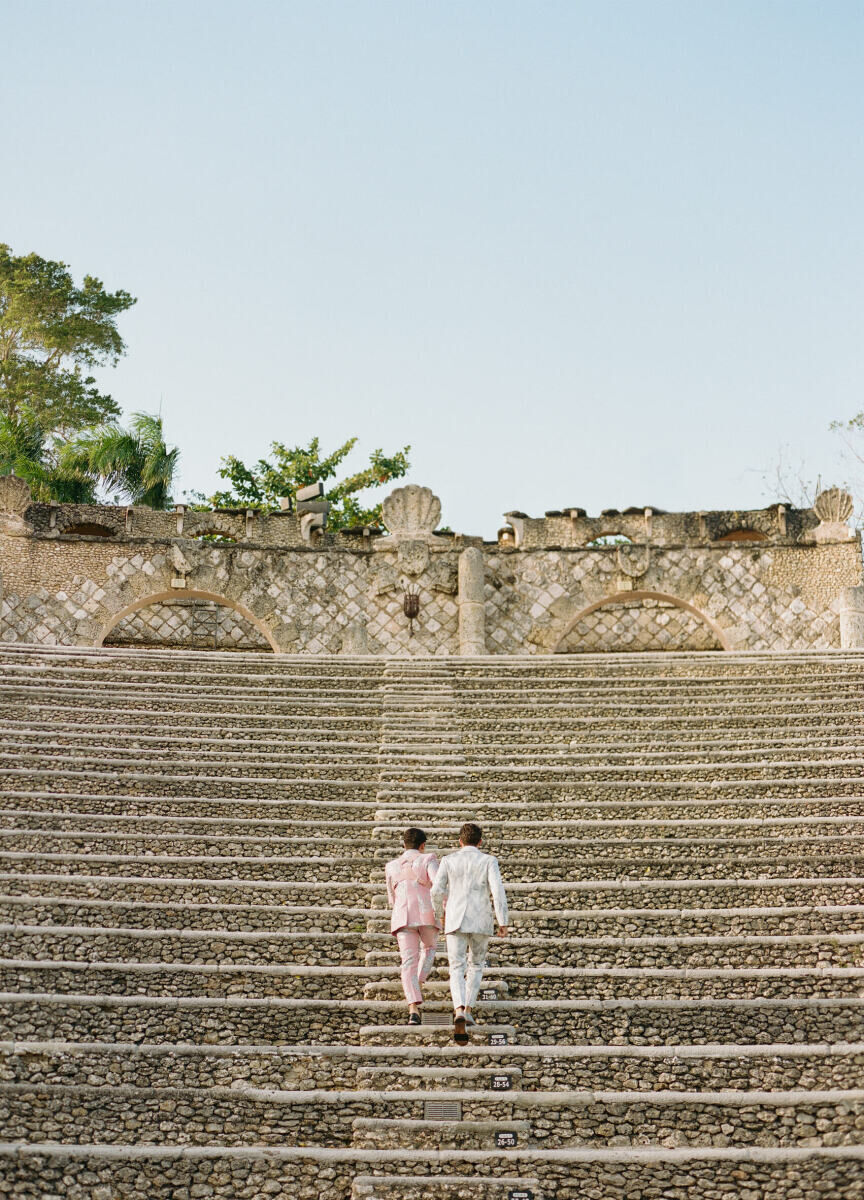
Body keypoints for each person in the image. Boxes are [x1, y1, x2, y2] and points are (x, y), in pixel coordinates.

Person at [431, 821, 508, 1045]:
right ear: (480, 842)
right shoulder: (488, 860)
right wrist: (502, 920)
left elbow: (436, 890)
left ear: (460, 841)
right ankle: (469, 1007)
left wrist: (439, 913)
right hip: (480, 918)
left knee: (456, 966)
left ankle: (458, 1009)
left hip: (455, 918)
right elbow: (497, 891)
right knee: (476, 965)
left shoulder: (448, 860)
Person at [385, 827, 440, 1025]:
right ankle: (420, 981)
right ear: (423, 845)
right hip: (426, 914)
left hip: (402, 915)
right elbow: (438, 885)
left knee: (407, 961)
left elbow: (391, 898)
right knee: (430, 948)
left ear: (404, 845)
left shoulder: (391, 866)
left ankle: (413, 1008)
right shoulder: (428, 859)